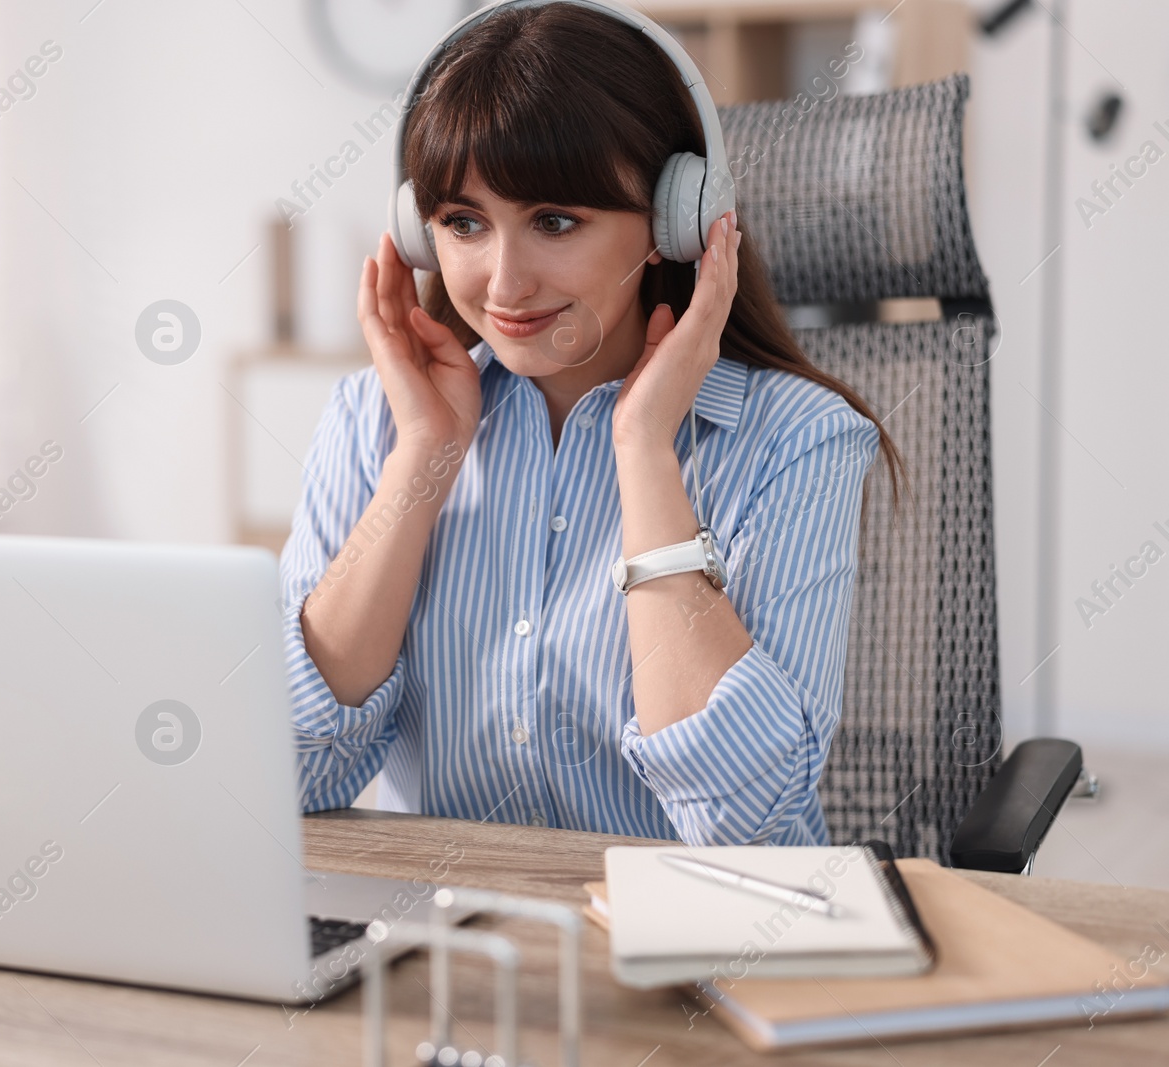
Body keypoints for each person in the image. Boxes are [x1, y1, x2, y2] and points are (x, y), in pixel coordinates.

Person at [278, 2, 905, 845]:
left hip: (705, 949)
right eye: (464, 223)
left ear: (672, 220)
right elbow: (296, 773)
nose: (503, 284)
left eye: (555, 222)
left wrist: (645, 451)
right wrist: (424, 456)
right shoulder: (372, 421)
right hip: (454, 944)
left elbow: (745, 825)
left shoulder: (797, 440)